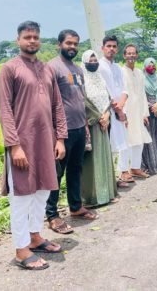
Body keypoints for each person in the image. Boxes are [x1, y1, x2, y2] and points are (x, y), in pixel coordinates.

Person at [0, 21, 67, 271]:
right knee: (22, 196)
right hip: (22, 143)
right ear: (18, 40)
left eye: (36, 37)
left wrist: (60, 138)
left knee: (43, 191)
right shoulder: (9, 69)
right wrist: (14, 145)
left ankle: (35, 236)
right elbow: (4, 109)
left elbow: (57, 105)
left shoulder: (46, 69)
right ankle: (20, 249)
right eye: (27, 37)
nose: (32, 41)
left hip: (46, 142)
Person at [45, 30, 98, 235]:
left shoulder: (78, 69)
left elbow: (80, 99)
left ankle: (75, 207)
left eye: (76, 43)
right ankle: (52, 214)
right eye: (68, 43)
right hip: (61, 131)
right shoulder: (52, 67)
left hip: (78, 127)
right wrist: (55, 133)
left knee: (75, 169)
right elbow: (48, 102)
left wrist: (85, 125)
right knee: (56, 173)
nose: (72, 47)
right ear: (59, 44)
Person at [80, 50, 119, 207]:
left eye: (95, 60)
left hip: (104, 123)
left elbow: (108, 99)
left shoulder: (100, 79)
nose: (94, 62)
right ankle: (93, 197)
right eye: (90, 60)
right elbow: (83, 101)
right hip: (92, 124)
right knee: (92, 161)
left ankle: (107, 193)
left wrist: (107, 115)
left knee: (104, 158)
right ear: (84, 62)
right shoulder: (82, 79)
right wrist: (98, 117)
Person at [98, 35, 130, 183]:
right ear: (102, 48)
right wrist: (118, 111)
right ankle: (109, 180)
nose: (111, 49)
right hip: (108, 111)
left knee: (122, 143)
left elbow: (124, 89)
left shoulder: (117, 67)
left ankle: (122, 173)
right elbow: (105, 91)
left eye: (114, 46)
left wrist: (122, 107)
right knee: (110, 146)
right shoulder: (99, 66)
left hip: (120, 110)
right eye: (108, 46)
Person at [120, 44, 152, 180]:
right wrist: (123, 114)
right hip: (127, 112)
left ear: (137, 55)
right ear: (124, 55)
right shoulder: (121, 72)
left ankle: (135, 168)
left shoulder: (139, 73)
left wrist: (145, 113)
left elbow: (142, 94)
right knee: (126, 141)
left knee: (139, 140)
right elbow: (120, 94)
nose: (131, 56)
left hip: (138, 111)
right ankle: (123, 171)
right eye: (128, 53)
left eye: (133, 53)